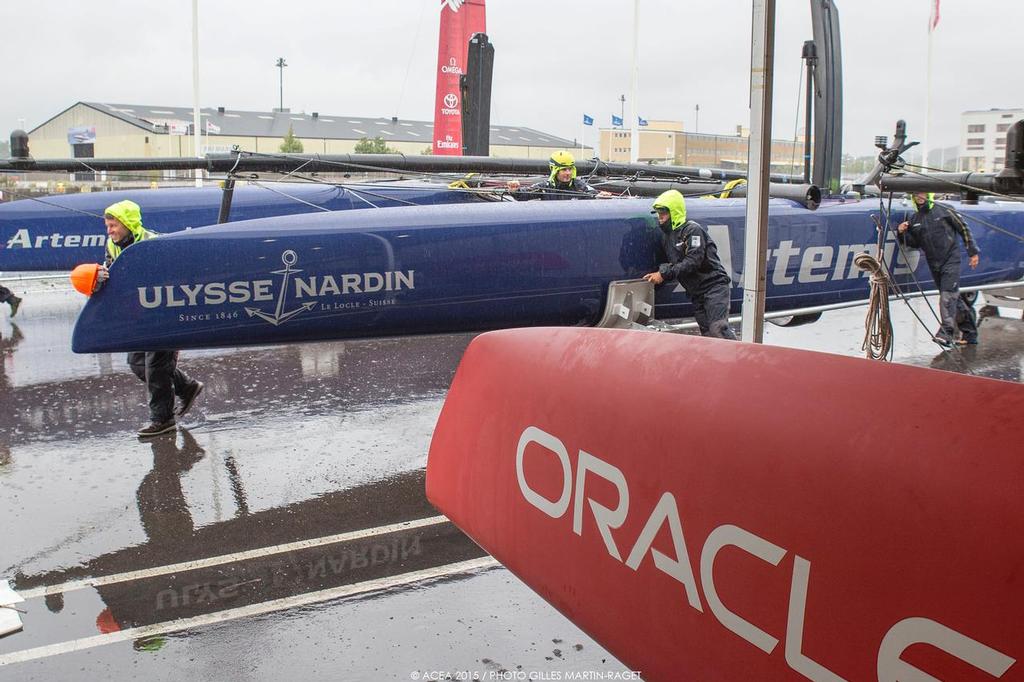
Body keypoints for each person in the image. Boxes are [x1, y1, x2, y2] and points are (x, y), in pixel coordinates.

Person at [95, 200, 204, 437]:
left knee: (156, 367)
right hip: (139, 316)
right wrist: (101, 277)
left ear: (127, 223)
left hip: (164, 314)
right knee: (137, 364)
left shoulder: (153, 243)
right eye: (107, 226)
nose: (109, 231)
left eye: (113, 225)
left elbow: (175, 277)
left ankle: (162, 420)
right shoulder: (111, 245)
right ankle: (186, 386)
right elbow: (116, 277)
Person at [642, 189, 737, 340]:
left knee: (718, 328)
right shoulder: (666, 238)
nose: (660, 216)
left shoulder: (692, 230)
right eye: (658, 212)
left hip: (714, 287)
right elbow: (677, 263)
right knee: (706, 334)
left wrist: (664, 273)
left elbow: (693, 261)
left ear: (674, 212)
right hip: (696, 292)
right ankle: (714, 362)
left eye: (664, 212)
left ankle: (737, 360)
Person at [897, 192, 980, 347]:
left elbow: (963, 228)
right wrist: (901, 233)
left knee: (948, 296)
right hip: (934, 263)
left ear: (929, 194)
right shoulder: (914, 219)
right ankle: (970, 334)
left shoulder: (944, 209)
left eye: (922, 193)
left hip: (951, 260)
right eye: (916, 195)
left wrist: (973, 252)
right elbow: (914, 243)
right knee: (953, 298)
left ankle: (946, 333)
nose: (919, 197)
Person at [506, 150, 610, 200]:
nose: (568, 173)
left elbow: (592, 193)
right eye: (564, 169)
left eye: (570, 169)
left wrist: (599, 196)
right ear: (555, 170)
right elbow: (524, 194)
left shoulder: (579, 186)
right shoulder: (545, 187)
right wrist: (515, 191)